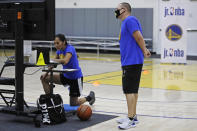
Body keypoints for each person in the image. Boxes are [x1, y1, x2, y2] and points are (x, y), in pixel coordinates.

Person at [115, 2, 151, 130]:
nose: (115, 11)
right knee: (133, 90)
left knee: (129, 90)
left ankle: (130, 120)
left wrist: (144, 50)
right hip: (130, 61)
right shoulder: (126, 22)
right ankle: (133, 116)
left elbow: (139, 37)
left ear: (123, 10)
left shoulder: (129, 20)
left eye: (117, 9)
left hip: (132, 61)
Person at [40, 34, 95, 106]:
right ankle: (50, 101)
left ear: (64, 42)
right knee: (44, 78)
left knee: (73, 104)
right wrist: (46, 74)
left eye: (58, 43)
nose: (56, 45)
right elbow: (53, 64)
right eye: (54, 43)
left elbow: (65, 61)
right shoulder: (59, 51)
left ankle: (89, 97)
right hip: (65, 76)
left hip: (75, 78)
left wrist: (51, 59)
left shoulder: (70, 48)